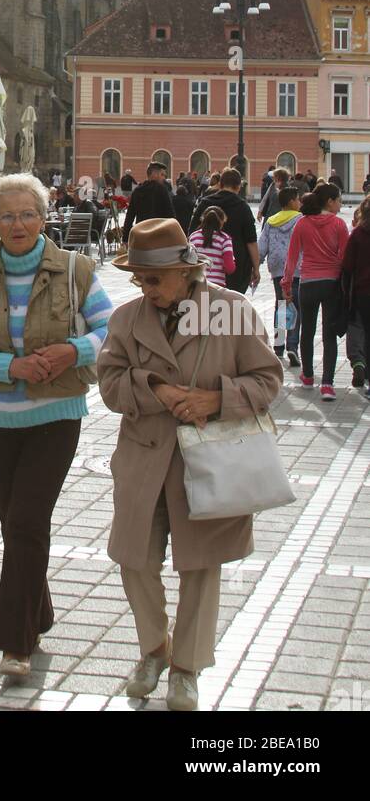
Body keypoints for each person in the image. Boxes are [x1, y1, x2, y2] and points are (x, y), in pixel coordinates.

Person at [98, 218, 282, 711]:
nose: (144, 287)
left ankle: (187, 668)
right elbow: (110, 383)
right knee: (134, 560)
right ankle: (154, 649)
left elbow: (268, 380)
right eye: (138, 278)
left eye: (152, 279)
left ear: (186, 271)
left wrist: (216, 399)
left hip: (213, 461)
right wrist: (154, 389)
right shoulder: (126, 319)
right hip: (143, 461)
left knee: (201, 567)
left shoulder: (232, 311)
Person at [0, 172, 112, 678]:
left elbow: (113, 331)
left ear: (44, 217)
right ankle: (38, 613)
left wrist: (72, 350)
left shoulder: (74, 270)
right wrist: (8, 367)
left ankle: (15, 643)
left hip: (55, 416)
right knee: (17, 527)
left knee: (24, 523)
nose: (16, 223)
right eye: (5, 215)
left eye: (26, 213)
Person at [282, 183, 349, 400]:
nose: (340, 204)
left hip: (307, 283)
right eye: (338, 200)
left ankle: (308, 376)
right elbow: (344, 258)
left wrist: (286, 285)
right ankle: (328, 384)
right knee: (329, 334)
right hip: (331, 284)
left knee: (307, 331)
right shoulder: (339, 224)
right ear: (329, 201)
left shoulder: (302, 224)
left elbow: (292, 258)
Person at [188, 168, 259, 294]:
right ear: (238, 187)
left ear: (220, 184)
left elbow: (191, 233)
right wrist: (256, 268)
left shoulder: (205, 203)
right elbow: (251, 241)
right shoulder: (243, 207)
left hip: (205, 268)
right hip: (236, 266)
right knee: (232, 306)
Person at [258, 185, 302, 365]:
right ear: (292, 201)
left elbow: (262, 246)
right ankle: (292, 346)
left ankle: (278, 345)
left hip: (277, 269)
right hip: (296, 268)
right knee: (295, 307)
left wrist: (256, 266)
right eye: (298, 199)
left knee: (282, 305)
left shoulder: (271, 221)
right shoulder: (300, 220)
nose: (299, 203)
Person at [341, 196, 370, 395]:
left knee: (358, 328)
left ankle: (359, 362)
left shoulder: (358, 233)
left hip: (361, 291)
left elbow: (347, 265)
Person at [121, 161, 176, 243]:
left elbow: (129, 216)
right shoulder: (162, 189)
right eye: (162, 175)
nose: (164, 178)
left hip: (141, 235)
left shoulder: (137, 191)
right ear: (154, 174)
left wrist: (125, 239)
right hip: (158, 236)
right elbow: (170, 214)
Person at [188, 207, 236, 289]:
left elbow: (189, 262)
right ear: (221, 222)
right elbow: (229, 268)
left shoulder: (193, 237)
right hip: (217, 286)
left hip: (196, 284)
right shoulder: (225, 239)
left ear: (203, 219)